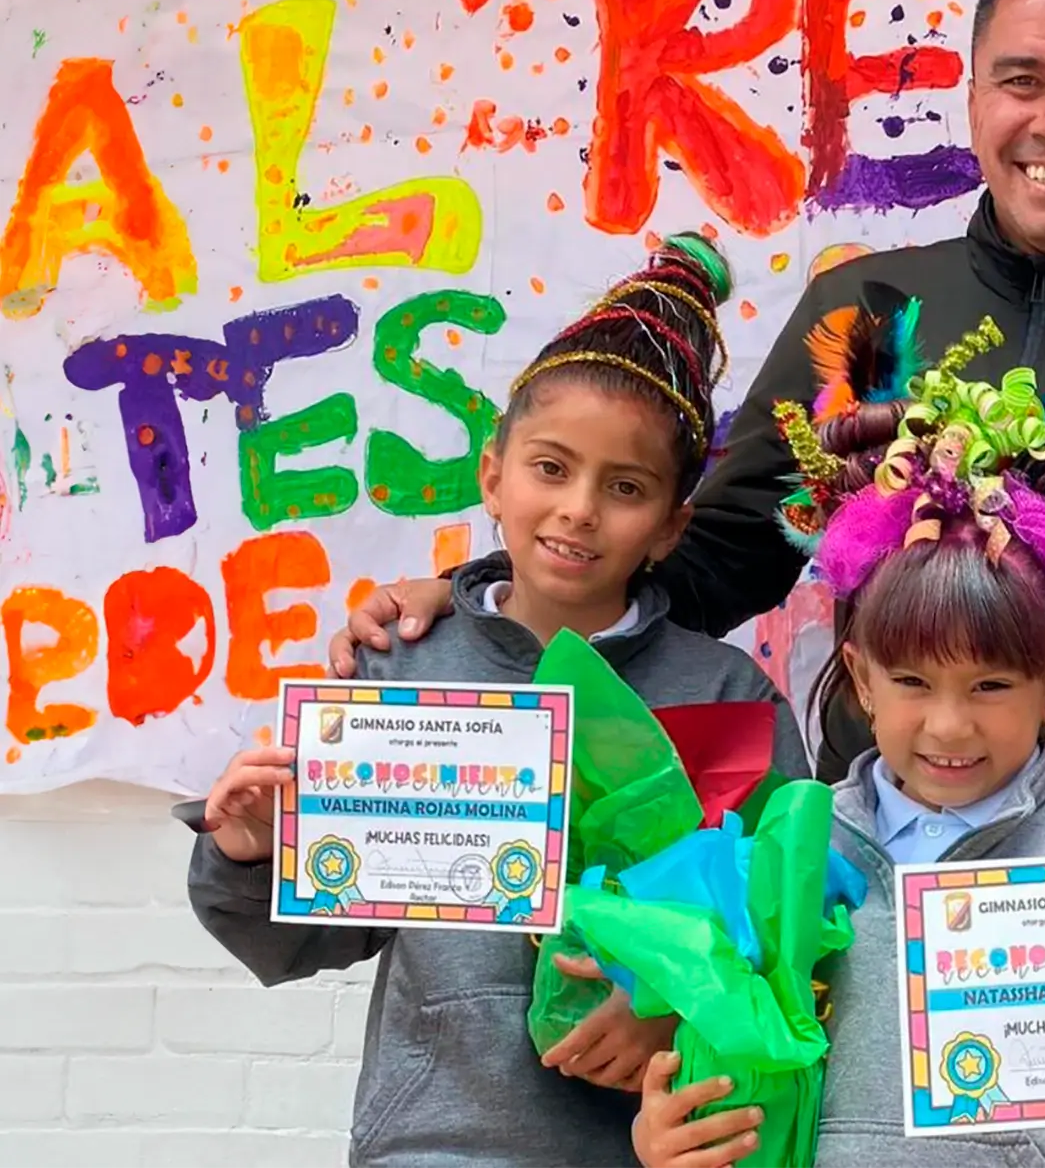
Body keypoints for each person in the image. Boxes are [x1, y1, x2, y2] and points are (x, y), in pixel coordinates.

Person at [328, 0, 1045, 854]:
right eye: (1020, 80)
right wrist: (490, 605)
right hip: (867, 879)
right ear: (972, 101)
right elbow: (711, 564)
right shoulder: (867, 312)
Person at [186, 237, 810, 1168]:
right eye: (550, 468)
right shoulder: (402, 665)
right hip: (436, 1137)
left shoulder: (726, 694)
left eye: (627, 488)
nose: (579, 510)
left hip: (652, 1147)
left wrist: (672, 1004)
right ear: (492, 474)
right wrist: (247, 848)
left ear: (673, 524)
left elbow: (794, 943)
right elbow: (306, 938)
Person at [631, 315, 1045, 1168]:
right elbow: (722, 1077)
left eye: (990, 686)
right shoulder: (787, 845)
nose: (948, 725)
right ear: (862, 678)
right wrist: (664, 1136)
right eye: (911, 683)